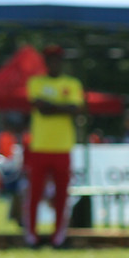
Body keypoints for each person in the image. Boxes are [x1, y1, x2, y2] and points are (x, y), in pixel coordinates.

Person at [25, 44, 84, 247]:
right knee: (34, 193)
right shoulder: (35, 82)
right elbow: (41, 109)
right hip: (39, 146)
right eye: (50, 59)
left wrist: (52, 105)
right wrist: (62, 106)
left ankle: (58, 237)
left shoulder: (72, 83)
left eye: (57, 59)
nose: (54, 63)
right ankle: (31, 236)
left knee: (61, 195)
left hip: (62, 147)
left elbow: (75, 108)